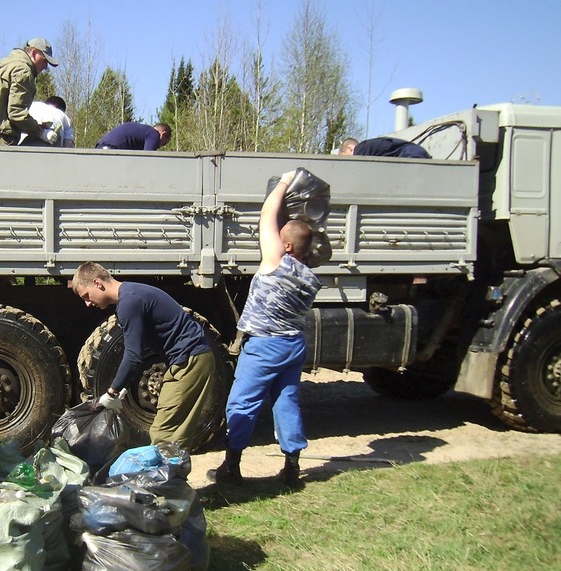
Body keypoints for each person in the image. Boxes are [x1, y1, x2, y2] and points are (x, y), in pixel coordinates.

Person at [207, 171, 321, 489]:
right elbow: (301, 240)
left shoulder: (276, 262)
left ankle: (232, 466)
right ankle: (291, 467)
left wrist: (284, 183)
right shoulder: (309, 276)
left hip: (265, 346)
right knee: (287, 401)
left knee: (242, 403)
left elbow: (266, 215)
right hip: (293, 345)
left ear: (286, 245)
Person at [72, 262, 216, 449]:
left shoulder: (128, 303)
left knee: (165, 433)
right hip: (187, 359)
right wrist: (123, 386)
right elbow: (139, 348)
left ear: (98, 283)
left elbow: (133, 355)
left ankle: (169, 476)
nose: (88, 303)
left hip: (190, 360)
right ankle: (172, 474)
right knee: (170, 429)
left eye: (87, 296)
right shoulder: (132, 293)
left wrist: (112, 392)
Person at [0, 37, 59, 146]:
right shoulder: (23, 70)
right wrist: (41, 133)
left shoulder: (8, 66)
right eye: (44, 60)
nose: (45, 67)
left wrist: (36, 127)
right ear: (34, 53)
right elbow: (16, 112)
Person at [95, 121, 171, 151]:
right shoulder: (153, 134)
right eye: (163, 144)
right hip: (111, 151)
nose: (159, 147)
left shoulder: (143, 132)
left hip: (100, 149)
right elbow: (148, 160)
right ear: (163, 134)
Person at [338, 136, 430, 159]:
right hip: (415, 152)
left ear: (350, 148)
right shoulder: (369, 147)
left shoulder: (361, 149)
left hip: (410, 154)